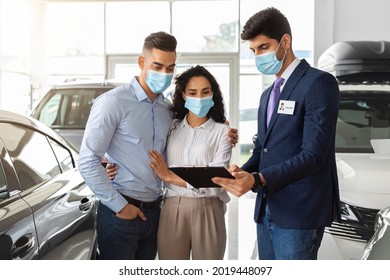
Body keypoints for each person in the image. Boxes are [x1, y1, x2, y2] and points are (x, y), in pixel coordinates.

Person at [78, 32, 237, 260]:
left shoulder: (167, 110)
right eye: (158, 66)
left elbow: (189, 131)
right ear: (142, 62)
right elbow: (87, 159)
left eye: (170, 67)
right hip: (121, 212)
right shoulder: (113, 102)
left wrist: (222, 129)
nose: (164, 73)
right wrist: (120, 206)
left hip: (156, 212)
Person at [212, 7, 341, 260]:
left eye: (263, 47)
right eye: (253, 50)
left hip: (299, 211)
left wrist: (258, 179)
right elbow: (263, 149)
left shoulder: (318, 83)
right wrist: (244, 172)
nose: (258, 56)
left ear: (285, 41)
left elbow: (314, 155)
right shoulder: (267, 94)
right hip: (267, 209)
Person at [148, 65, 231, 260]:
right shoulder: (172, 127)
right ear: (184, 95)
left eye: (205, 92)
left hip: (209, 209)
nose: (199, 98)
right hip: (172, 208)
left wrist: (168, 176)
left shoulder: (223, 133)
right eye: (192, 92)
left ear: (213, 94)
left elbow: (215, 183)